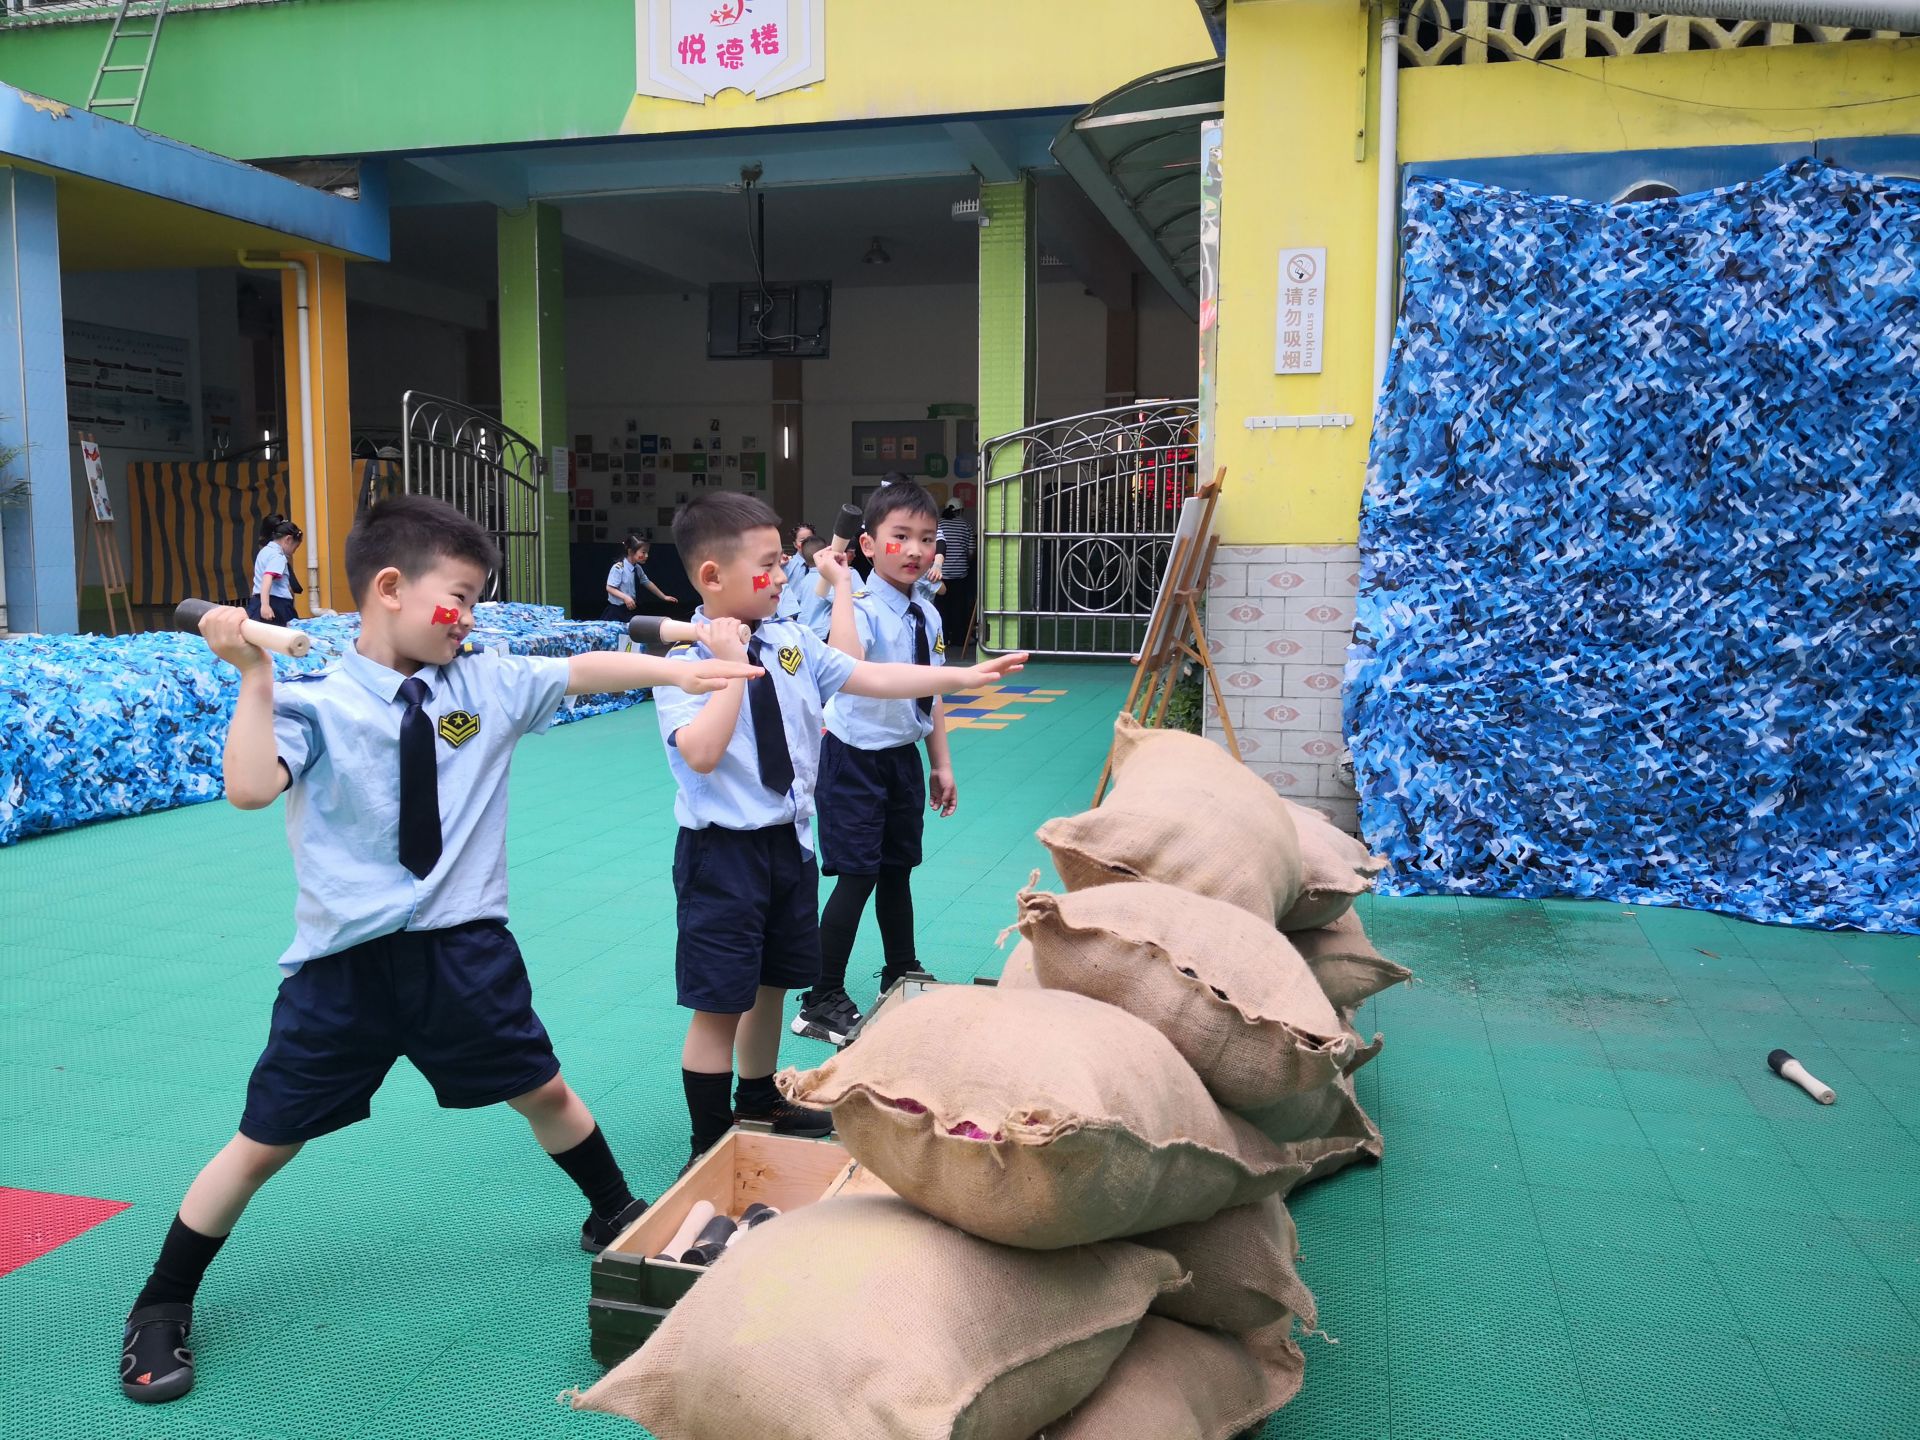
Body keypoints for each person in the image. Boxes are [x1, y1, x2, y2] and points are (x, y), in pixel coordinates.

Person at [119, 495, 761, 1406]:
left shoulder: (485, 684)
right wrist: (253, 676)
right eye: (460, 596)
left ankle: (612, 1208)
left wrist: (681, 667)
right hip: (343, 972)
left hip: (465, 950)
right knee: (263, 1145)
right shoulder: (318, 703)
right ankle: (160, 1302)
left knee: (543, 1089)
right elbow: (250, 789)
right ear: (390, 588)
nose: (472, 616)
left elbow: (579, 669)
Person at [654, 492, 1026, 1169]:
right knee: (719, 1004)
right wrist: (730, 667)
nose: (782, 576)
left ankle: (758, 1096)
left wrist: (962, 675)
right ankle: (707, 1146)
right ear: (712, 577)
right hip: (722, 854)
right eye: (768, 566)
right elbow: (701, 752)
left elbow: (869, 674)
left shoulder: (793, 641)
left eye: (781, 562)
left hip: (788, 843)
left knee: (770, 984)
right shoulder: (681, 661)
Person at [793, 482, 956, 1045]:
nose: (916, 550)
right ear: (868, 544)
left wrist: (941, 763)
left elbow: (931, 693)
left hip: (901, 760)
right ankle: (819, 997)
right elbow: (846, 661)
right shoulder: (857, 607)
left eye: (927, 539)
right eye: (901, 537)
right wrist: (840, 586)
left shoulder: (927, 616)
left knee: (896, 870)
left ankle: (900, 970)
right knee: (858, 875)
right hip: (852, 759)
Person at [602, 535, 678, 621]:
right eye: (643, 552)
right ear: (630, 552)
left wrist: (663, 597)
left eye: (647, 552)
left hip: (630, 609)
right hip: (616, 611)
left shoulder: (637, 568)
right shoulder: (619, 568)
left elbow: (647, 582)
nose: (646, 556)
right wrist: (625, 597)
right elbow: (610, 588)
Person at [935, 500, 977, 654]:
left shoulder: (938, 524)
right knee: (959, 608)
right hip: (960, 574)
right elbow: (971, 551)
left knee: (941, 608)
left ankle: (943, 639)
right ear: (961, 510)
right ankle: (960, 639)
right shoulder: (965, 525)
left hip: (940, 575)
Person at [247, 515, 303, 626]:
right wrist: (265, 605)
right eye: (295, 547)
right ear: (288, 539)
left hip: (257, 602)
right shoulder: (278, 556)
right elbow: (268, 577)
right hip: (276, 605)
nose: (294, 552)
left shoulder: (264, 551)